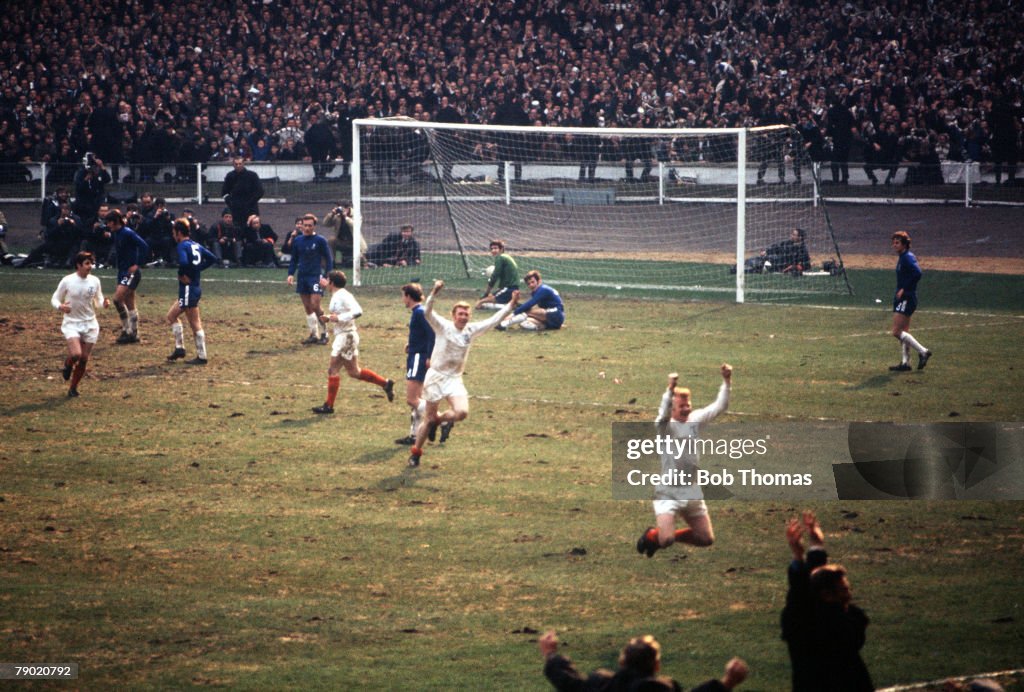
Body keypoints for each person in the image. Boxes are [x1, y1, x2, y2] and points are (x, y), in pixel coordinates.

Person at [407, 280, 518, 468]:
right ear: (453, 315)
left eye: (466, 314)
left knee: (462, 412)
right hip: (435, 377)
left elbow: (494, 320)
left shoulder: (471, 331)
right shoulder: (442, 326)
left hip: (454, 379)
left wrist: (511, 305)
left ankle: (438, 421)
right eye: (460, 313)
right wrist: (434, 291)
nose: (464, 317)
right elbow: (427, 312)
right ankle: (416, 453)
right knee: (428, 418)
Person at [636, 364, 732, 558]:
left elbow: (720, 406)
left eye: (688, 405)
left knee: (705, 538)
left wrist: (727, 380)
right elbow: (662, 414)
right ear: (672, 409)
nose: (686, 409)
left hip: (692, 490)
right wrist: (669, 390)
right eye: (681, 406)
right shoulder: (665, 427)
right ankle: (655, 536)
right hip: (669, 491)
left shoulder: (695, 420)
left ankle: (658, 536)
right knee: (666, 541)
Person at [781, 511, 873, 692]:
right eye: (844, 589)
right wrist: (816, 547)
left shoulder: (800, 625)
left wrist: (801, 556)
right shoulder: (850, 622)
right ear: (827, 595)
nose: (848, 591)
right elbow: (809, 591)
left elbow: (801, 596)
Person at [539, 630, 749, 692]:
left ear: (622, 662)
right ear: (656, 666)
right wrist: (728, 681)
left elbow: (570, 682)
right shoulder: (662, 689)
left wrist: (551, 654)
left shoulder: (600, 683)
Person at [311, 270, 395, 414]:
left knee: (333, 370)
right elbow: (340, 313)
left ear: (332, 282)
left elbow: (358, 311)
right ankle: (385, 384)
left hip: (346, 337)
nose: (325, 281)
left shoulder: (343, 295)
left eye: (327, 279)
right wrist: (330, 317)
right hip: (347, 336)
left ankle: (329, 406)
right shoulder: (338, 295)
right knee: (354, 372)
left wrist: (336, 318)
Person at [51, 251, 109, 397]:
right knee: (76, 354)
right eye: (87, 263)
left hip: (90, 324)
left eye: (91, 263)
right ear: (78, 265)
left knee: (84, 359)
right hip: (71, 323)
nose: (90, 266)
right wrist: (60, 307)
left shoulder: (95, 281)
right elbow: (55, 298)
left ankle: (73, 388)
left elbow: (99, 300)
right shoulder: (68, 280)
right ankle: (68, 363)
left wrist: (104, 303)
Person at [166, 218, 218, 365]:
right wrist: (197, 269)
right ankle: (179, 348)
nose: (173, 235)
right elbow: (212, 258)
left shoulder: (182, 246)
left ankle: (202, 356)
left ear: (179, 233)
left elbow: (183, 262)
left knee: (195, 323)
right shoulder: (196, 245)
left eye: (174, 232)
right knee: (171, 315)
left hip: (189, 289)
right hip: (192, 288)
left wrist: (182, 274)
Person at [395, 283, 435, 445]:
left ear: (409, 297)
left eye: (403, 295)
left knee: (412, 400)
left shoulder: (419, 312)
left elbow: (432, 333)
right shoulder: (418, 312)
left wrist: (429, 355)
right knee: (417, 399)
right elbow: (423, 334)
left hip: (419, 357)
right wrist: (411, 344)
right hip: (416, 353)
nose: (402, 299)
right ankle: (414, 435)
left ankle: (441, 420)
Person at [286, 213, 333, 344]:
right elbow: (294, 259)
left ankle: (325, 333)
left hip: (315, 276)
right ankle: (314, 334)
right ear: (301, 226)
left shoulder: (320, 240)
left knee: (315, 305)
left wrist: (326, 277)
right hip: (302, 277)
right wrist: (290, 274)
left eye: (310, 226)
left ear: (314, 226)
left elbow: (329, 259)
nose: (307, 228)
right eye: (305, 225)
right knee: (307, 307)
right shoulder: (298, 241)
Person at [889, 231, 932, 371]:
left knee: (896, 331)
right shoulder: (903, 257)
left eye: (897, 243)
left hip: (907, 297)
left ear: (904, 244)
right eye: (893, 242)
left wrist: (904, 289)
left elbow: (917, 273)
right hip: (906, 297)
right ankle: (905, 363)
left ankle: (923, 351)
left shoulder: (907, 257)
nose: (894, 245)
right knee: (904, 332)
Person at [106, 209, 150, 344]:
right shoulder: (117, 233)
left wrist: (137, 265)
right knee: (129, 303)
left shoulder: (127, 233)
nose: (107, 225)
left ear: (114, 222)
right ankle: (134, 334)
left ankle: (126, 330)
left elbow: (144, 246)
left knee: (117, 300)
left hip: (130, 272)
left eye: (108, 222)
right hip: (122, 271)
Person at [499, 270, 564, 331]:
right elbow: (529, 306)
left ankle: (503, 324)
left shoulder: (543, 289)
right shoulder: (537, 291)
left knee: (526, 313)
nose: (531, 285)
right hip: (553, 318)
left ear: (539, 281)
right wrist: (516, 303)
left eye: (533, 282)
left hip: (556, 314)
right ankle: (544, 326)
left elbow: (530, 304)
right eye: (528, 284)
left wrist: (513, 314)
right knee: (523, 322)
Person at [221, 157, 264, 238]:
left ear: (243, 164)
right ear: (233, 165)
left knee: (252, 231)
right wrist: (230, 202)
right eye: (236, 164)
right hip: (235, 209)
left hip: (251, 208)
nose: (238, 166)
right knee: (237, 231)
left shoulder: (252, 175)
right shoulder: (230, 176)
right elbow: (224, 192)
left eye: (240, 164)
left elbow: (260, 191)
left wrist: (251, 202)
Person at [743, 228, 811, 275]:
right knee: (751, 261)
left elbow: (806, 265)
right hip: (773, 260)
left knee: (758, 266)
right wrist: (766, 251)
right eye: (792, 234)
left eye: (794, 235)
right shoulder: (787, 243)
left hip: (778, 265)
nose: (791, 236)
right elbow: (776, 247)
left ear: (800, 237)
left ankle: (739, 270)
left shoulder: (803, 250)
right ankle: (740, 267)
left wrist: (793, 268)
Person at [475, 240, 520, 310]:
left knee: (481, 303)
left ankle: (512, 306)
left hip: (509, 289)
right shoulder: (506, 257)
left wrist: (486, 294)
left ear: (501, 249)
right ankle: (513, 304)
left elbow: (494, 277)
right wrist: (499, 289)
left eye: (495, 248)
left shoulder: (500, 258)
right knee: (490, 297)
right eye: (492, 249)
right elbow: (505, 277)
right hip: (511, 288)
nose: (493, 250)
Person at [323, 202, 366, 268]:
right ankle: (331, 262)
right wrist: (332, 214)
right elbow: (325, 224)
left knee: (361, 262)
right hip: (342, 242)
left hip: (355, 244)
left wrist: (346, 217)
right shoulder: (337, 216)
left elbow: (356, 226)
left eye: (342, 209)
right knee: (331, 240)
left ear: (348, 208)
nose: (341, 210)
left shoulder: (356, 214)